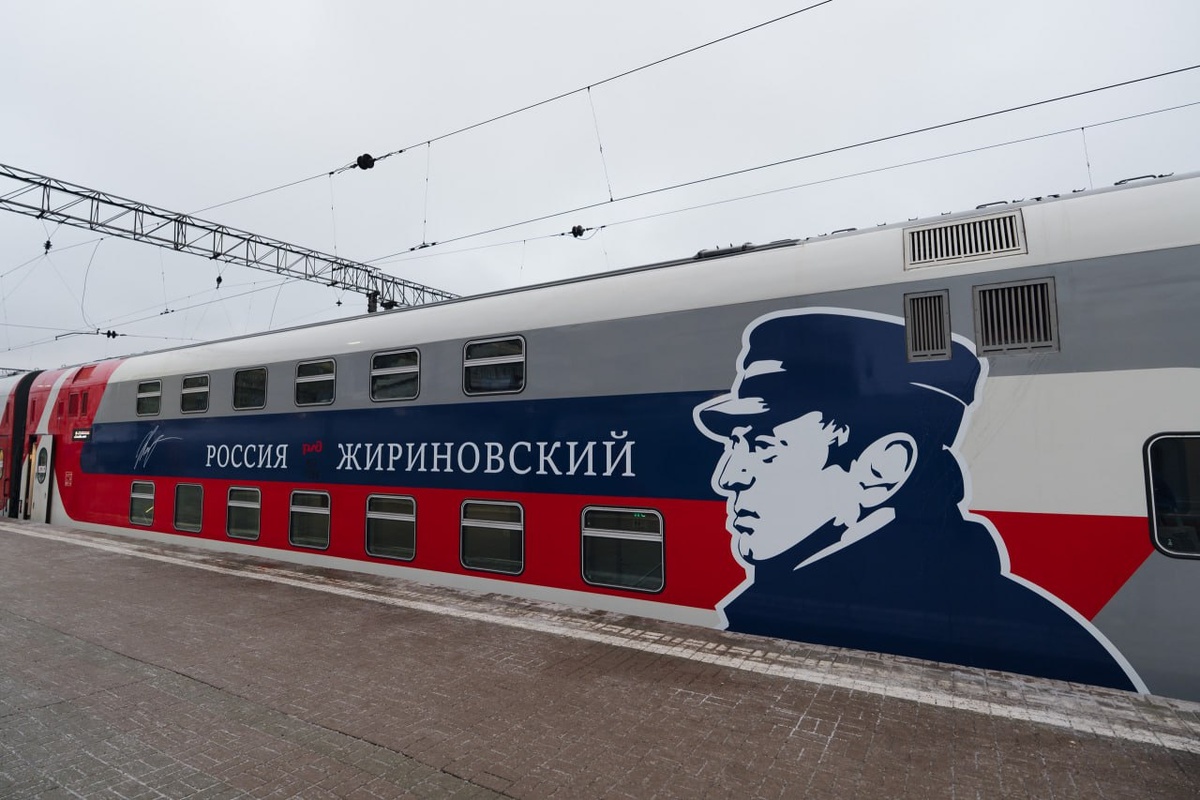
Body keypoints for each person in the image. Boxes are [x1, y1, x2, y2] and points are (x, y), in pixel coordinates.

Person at [693, 308, 1140, 691]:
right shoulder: (807, 603)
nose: (726, 477)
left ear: (882, 468)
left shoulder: (1032, 646)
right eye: (734, 445)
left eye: (764, 447)